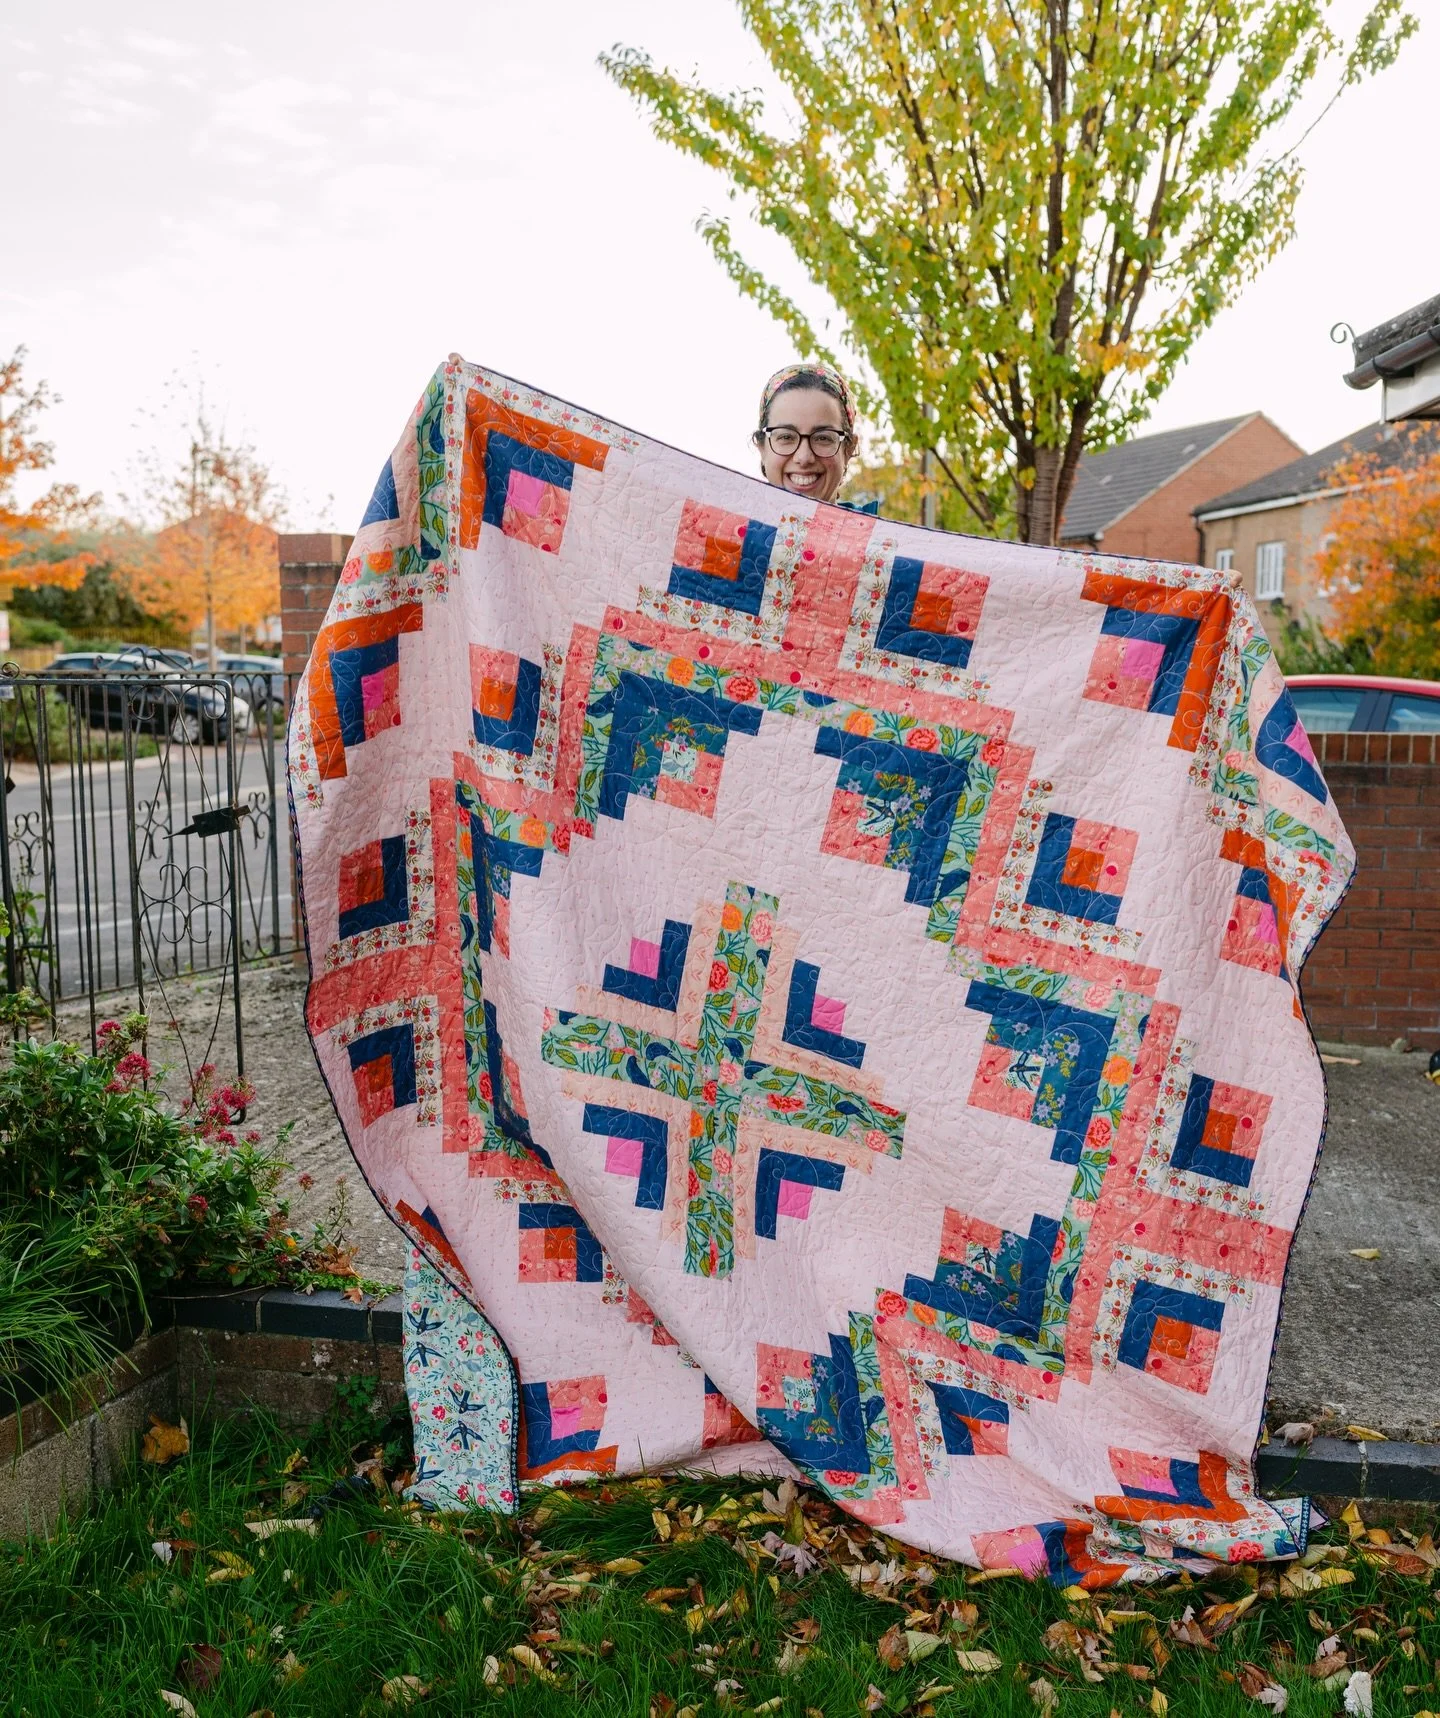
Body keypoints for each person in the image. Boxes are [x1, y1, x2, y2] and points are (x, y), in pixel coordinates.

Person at [754, 362, 878, 513]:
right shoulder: (723, 532)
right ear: (762, 448)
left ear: (848, 449)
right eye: (786, 436)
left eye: (822, 438)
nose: (804, 457)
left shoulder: (885, 536)